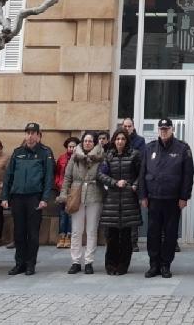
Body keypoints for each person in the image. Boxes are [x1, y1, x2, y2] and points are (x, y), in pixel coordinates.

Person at [139, 118, 194, 279]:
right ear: (158, 130)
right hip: (154, 198)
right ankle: (153, 264)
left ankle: (165, 265)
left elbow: (188, 175)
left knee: (170, 234)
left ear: (172, 129)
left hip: (172, 199)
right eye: (161, 129)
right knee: (153, 233)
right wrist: (142, 195)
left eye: (166, 128)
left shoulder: (182, 148)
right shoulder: (149, 148)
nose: (164, 131)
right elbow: (142, 173)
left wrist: (184, 197)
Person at [1, 122, 55, 276]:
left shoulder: (45, 153)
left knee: (32, 233)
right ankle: (19, 263)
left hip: (34, 198)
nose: (30, 136)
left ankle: (30, 264)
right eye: (28, 133)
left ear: (39, 136)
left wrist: (45, 198)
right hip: (17, 197)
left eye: (33, 133)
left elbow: (48, 178)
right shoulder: (17, 152)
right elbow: (8, 176)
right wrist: (5, 196)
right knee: (18, 233)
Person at [98, 129, 142, 275]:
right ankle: (110, 265)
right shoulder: (108, 156)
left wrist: (135, 184)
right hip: (112, 200)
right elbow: (100, 175)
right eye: (117, 139)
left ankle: (123, 265)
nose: (120, 141)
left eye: (123, 139)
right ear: (114, 141)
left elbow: (141, 173)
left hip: (129, 200)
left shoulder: (135, 155)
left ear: (127, 140)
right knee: (112, 236)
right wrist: (115, 182)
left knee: (126, 236)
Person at [60, 133, 105, 275]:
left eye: (90, 141)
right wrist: (63, 194)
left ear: (94, 143)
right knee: (76, 230)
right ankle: (75, 261)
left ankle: (89, 261)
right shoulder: (75, 157)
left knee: (91, 230)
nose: (87, 143)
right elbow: (67, 177)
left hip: (94, 194)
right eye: (85, 140)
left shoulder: (101, 156)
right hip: (77, 193)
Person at [120, 118, 146, 252]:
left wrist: (137, 183)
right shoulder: (117, 139)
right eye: (125, 126)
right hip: (119, 182)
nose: (127, 128)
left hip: (134, 181)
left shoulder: (140, 141)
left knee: (133, 213)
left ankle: (133, 241)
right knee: (120, 212)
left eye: (129, 126)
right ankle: (122, 241)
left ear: (133, 127)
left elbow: (141, 163)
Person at [54, 137, 78, 249]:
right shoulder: (61, 158)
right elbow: (57, 173)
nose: (71, 148)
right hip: (62, 190)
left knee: (71, 215)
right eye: (70, 146)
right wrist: (58, 183)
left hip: (74, 191)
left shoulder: (78, 158)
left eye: (74, 146)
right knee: (63, 214)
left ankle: (69, 236)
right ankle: (61, 236)